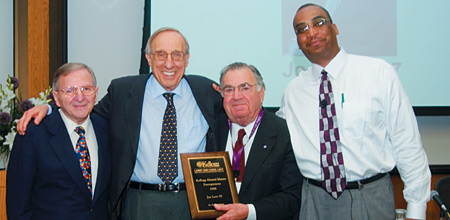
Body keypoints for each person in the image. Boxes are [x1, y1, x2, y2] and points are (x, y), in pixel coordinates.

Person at [16, 27, 225, 219]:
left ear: (187, 58)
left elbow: (238, 111)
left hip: (190, 201)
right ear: (148, 58)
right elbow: (83, 111)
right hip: (139, 201)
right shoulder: (123, 91)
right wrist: (51, 107)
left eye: (177, 55)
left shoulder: (206, 91)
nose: (169, 63)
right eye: (160, 54)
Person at [276, 3, 431, 220]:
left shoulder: (378, 73)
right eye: (301, 29)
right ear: (298, 43)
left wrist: (416, 210)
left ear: (335, 28)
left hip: (369, 198)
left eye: (318, 23)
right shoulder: (293, 91)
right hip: (313, 202)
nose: (311, 32)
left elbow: (407, 144)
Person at [6, 63, 110, 220]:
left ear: (96, 94)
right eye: (70, 90)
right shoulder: (33, 134)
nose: (80, 97)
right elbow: (17, 203)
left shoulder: (106, 129)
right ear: (56, 97)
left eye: (86, 89)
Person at [211, 62, 302, 220]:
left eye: (245, 88)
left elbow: (292, 196)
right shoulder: (211, 131)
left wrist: (249, 212)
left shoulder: (284, 132)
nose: (237, 96)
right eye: (229, 89)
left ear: (261, 93)